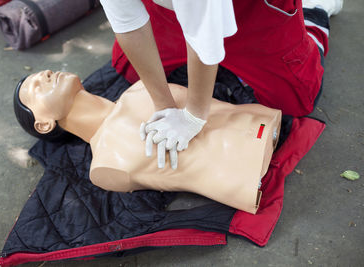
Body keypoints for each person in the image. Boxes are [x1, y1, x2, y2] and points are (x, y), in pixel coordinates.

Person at [99, 0, 343, 169]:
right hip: (172, 9)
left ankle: (314, 9)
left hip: (253, 9)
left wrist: (194, 116)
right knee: (128, 68)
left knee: (296, 98)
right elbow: (129, 25)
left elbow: (203, 35)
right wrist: (165, 106)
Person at [14, 70, 281, 214]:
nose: (45, 75)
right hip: (247, 175)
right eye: (36, 88)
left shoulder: (140, 88)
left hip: (264, 122)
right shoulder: (104, 166)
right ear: (44, 124)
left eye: (43, 73)